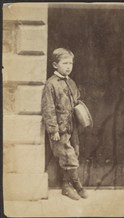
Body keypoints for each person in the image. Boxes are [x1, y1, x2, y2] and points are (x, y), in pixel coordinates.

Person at [41, 48, 88, 200]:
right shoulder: (51, 84)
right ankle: (75, 184)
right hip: (60, 129)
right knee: (68, 156)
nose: (68, 66)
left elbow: (75, 100)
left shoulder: (71, 82)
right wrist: (53, 130)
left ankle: (66, 185)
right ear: (55, 65)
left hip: (72, 126)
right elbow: (48, 108)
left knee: (74, 153)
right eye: (65, 63)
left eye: (71, 63)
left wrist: (79, 108)